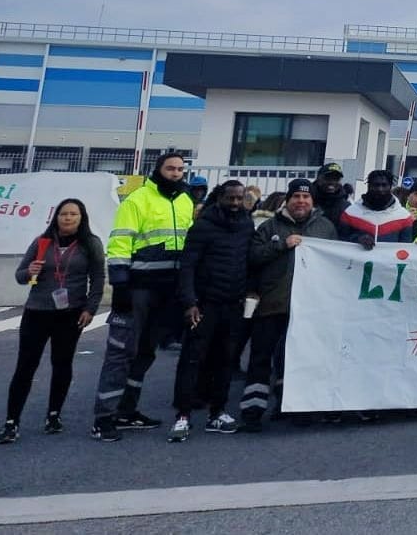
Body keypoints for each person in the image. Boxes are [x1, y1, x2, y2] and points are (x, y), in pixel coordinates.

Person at [92, 152, 196, 442]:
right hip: (138, 288)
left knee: (146, 351)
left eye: (180, 169)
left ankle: (127, 410)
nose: (176, 173)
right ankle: (103, 418)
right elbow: (120, 241)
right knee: (121, 352)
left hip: (168, 289)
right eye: (170, 168)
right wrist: (120, 285)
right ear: (158, 169)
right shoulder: (138, 199)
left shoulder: (185, 200)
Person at [0, 199, 105, 444]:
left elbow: (98, 278)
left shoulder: (91, 244)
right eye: (63, 214)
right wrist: (30, 272)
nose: (68, 218)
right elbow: (20, 276)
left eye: (73, 214)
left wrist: (91, 308)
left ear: (81, 218)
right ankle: (11, 421)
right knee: (26, 366)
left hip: (70, 313)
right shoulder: (42, 242)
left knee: (62, 363)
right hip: (37, 311)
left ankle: (53, 414)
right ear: (56, 217)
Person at [240, 178, 334, 432]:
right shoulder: (268, 226)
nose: (301, 202)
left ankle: (289, 406)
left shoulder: (325, 228)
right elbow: (253, 257)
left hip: (308, 309)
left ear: (313, 202)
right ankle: (252, 409)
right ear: (288, 200)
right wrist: (282, 245)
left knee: (296, 360)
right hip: (272, 303)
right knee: (261, 358)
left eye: (306, 198)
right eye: (296, 197)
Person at [170, 180, 255, 440]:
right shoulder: (203, 226)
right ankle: (183, 415)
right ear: (220, 198)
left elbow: (249, 262)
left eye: (239, 199)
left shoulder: (247, 224)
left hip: (233, 303)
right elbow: (188, 266)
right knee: (192, 359)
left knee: (226, 360)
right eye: (230, 198)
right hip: (205, 304)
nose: (235, 204)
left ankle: (217, 412)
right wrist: (190, 302)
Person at [339, 170, 416, 246]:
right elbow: (340, 243)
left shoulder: (403, 217)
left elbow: (405, 249)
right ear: (368, 186)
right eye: (376, 185)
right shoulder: (350, 213)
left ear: (390, 187)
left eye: (384, 185)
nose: (380, 189)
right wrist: (357, 238)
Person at [311, 162, 352, 232]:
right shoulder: (305, 200)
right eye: (328, 178)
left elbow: (351, 232)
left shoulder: (347, 207)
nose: (332, 182)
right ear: (318, 179)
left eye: (336, 179)